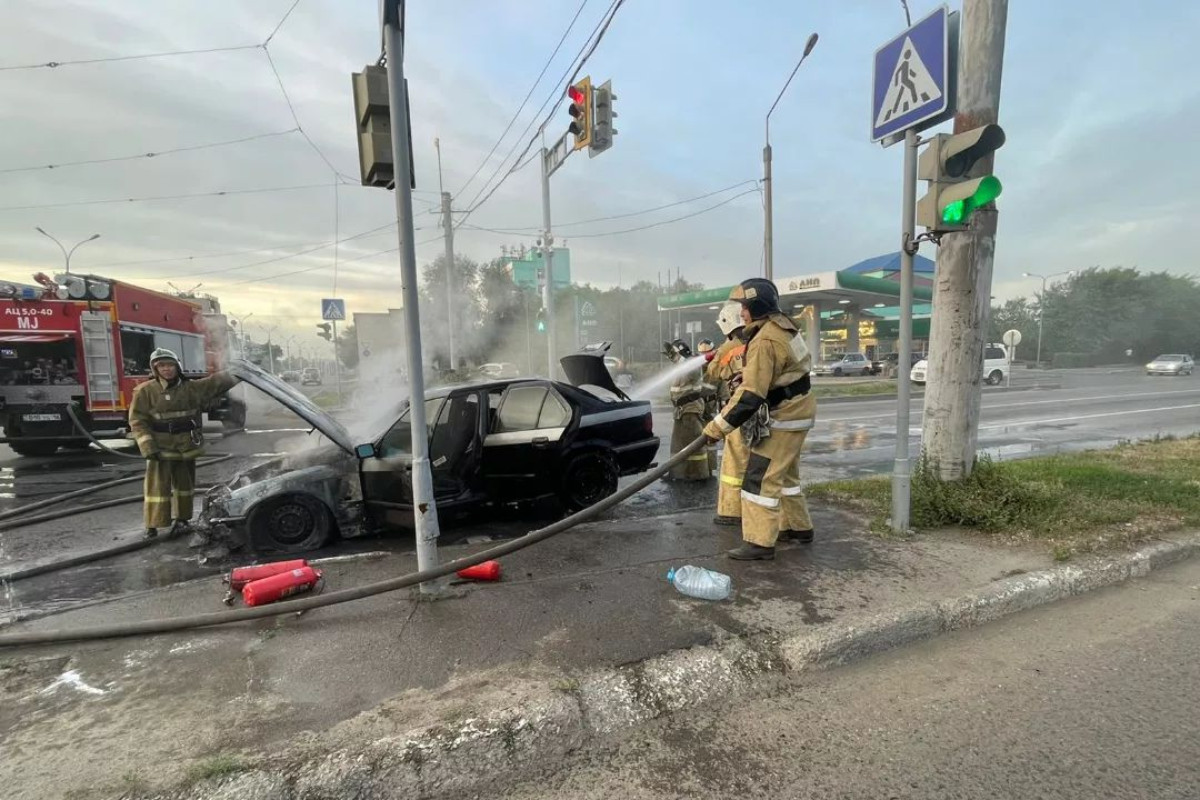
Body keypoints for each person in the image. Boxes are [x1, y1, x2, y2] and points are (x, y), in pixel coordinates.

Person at [702, 279, 816, 561]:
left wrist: (716, 428)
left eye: (743, 307)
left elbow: (751, 396)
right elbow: (791, 368)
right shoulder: (784, 328)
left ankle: (759, 543)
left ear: (756, 306)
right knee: (787, 475)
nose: (741, 313)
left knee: (759, 478)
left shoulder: (764, 339)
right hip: (799, 409)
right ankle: (797, 528)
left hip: (784, 415)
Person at [129, 348, 240, 539]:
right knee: (157, 488)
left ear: (177, 367)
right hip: (160, 446)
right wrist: (147, 446)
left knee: (184, 486)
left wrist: (239, 372)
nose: (166, 369)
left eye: (170, 365)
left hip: (185, 445)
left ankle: (182, 520)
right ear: (155, 369)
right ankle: (153, 525)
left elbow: (215, 383)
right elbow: (137, 420)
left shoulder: (190, 388)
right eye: (161, 366)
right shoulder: (145, 391)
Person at [706, 302, 748, 528]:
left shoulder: (729, 347)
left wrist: (714, 356)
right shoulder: (760, 339)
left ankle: (731, 512)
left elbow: (712, 374)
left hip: (739, 409)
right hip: (765, 411)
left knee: (733, 463)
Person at [664, 338, 714, 481]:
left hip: (690, 410)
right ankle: (676, 473)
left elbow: (693, 374)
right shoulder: (680, 366)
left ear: (681, 352)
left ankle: (699, 474)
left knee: (695, 444)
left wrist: (681, 359)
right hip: (680, 410)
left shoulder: (692, 364)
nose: (671, 358)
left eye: (673, 354)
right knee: (677, 444)